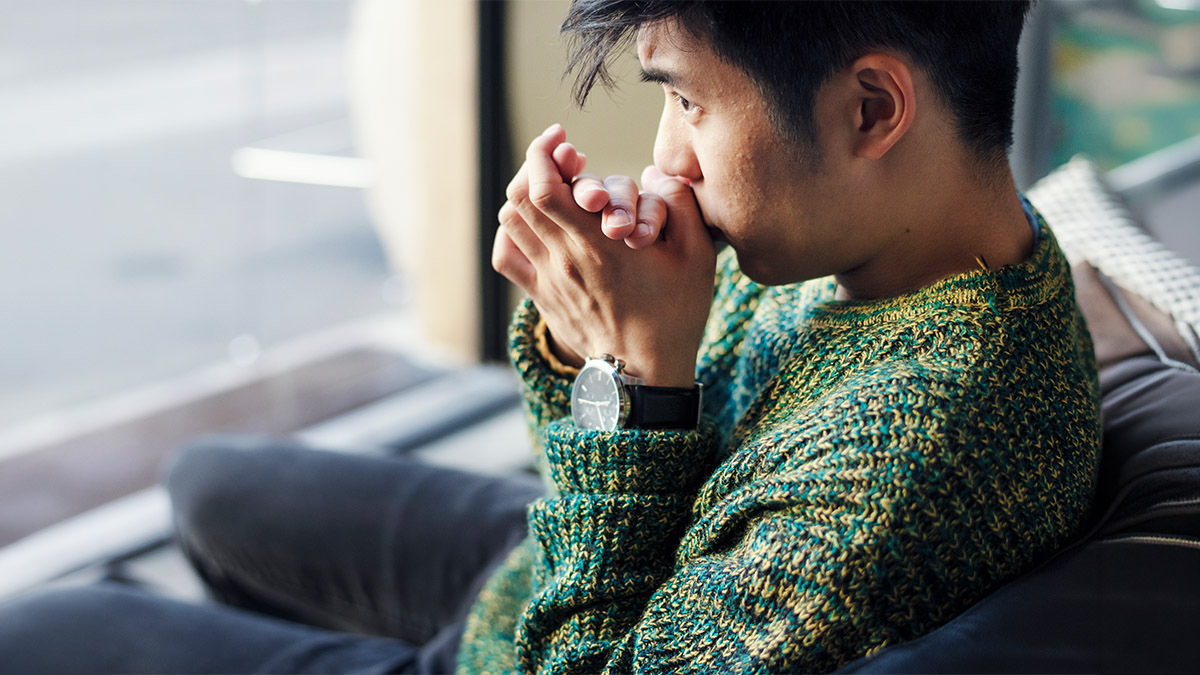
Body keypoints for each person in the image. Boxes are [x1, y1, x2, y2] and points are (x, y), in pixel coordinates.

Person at [0, 1, 1101, 673]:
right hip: (557, 570)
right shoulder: (902, 249)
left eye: (690, 103)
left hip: (545, 642)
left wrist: (631, 378)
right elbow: (602, 471)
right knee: (207, 482)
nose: (667, 157)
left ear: (870, 109)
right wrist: (590, 339)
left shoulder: (917, 452)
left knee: (44, 634)